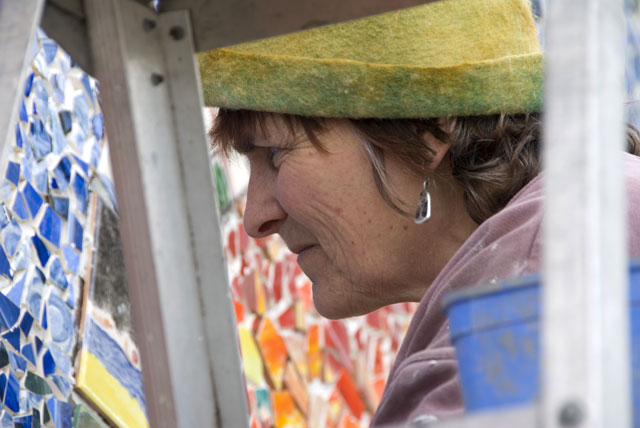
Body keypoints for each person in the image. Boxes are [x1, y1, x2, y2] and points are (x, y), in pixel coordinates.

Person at [199, 0, 640, 426]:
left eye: (276, 153)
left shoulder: (522, 307)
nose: (255, 218)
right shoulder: (592, 212)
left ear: (428, 131)